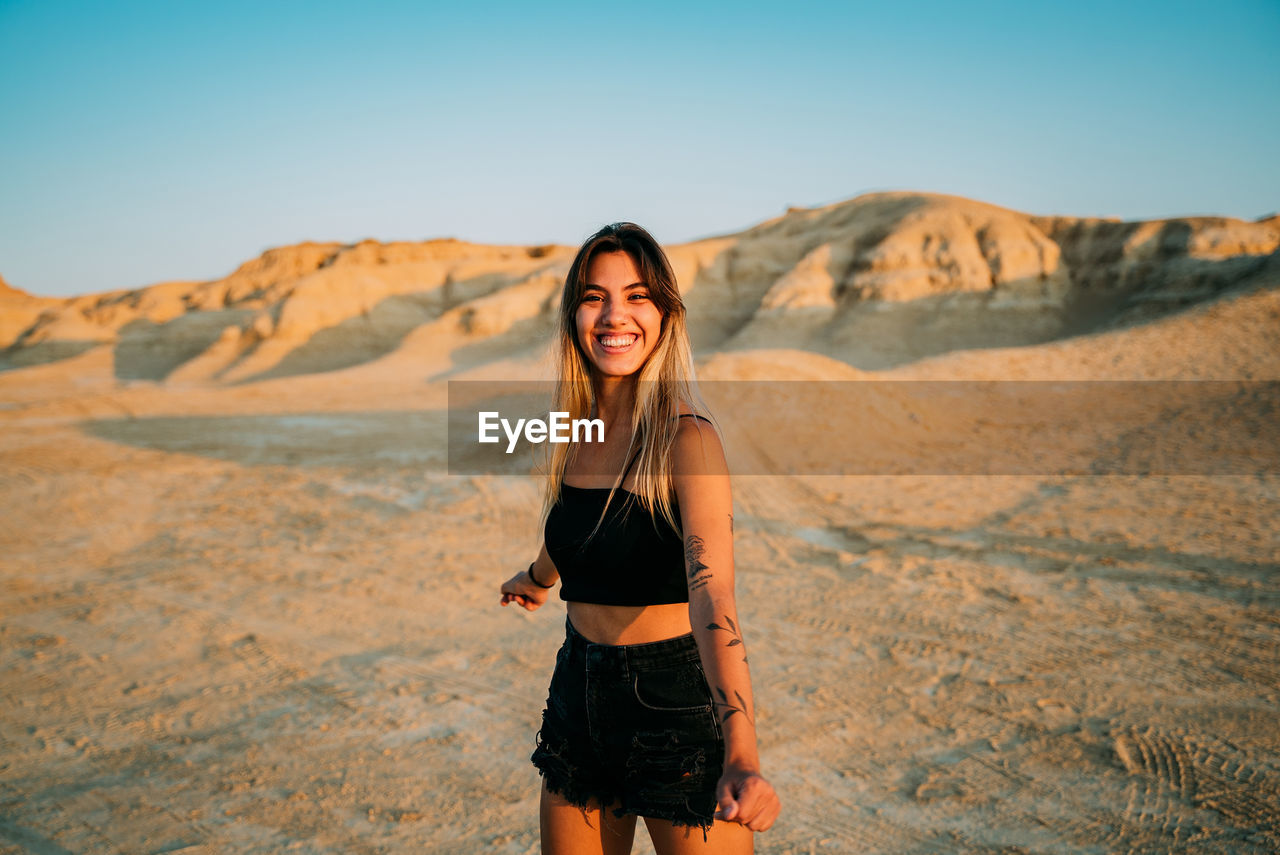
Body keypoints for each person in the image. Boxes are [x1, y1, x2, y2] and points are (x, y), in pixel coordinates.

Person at [500, 223, 781, 854]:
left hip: (674, 706)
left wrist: (742, 753)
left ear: (666, 315)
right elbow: (578, 526)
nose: (613, 315)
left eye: (637, 296)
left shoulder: (690, 441)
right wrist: (538, 579)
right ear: (574, 313)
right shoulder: (576, 428)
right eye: (594, 297)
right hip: (578, 694)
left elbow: (713, 594)